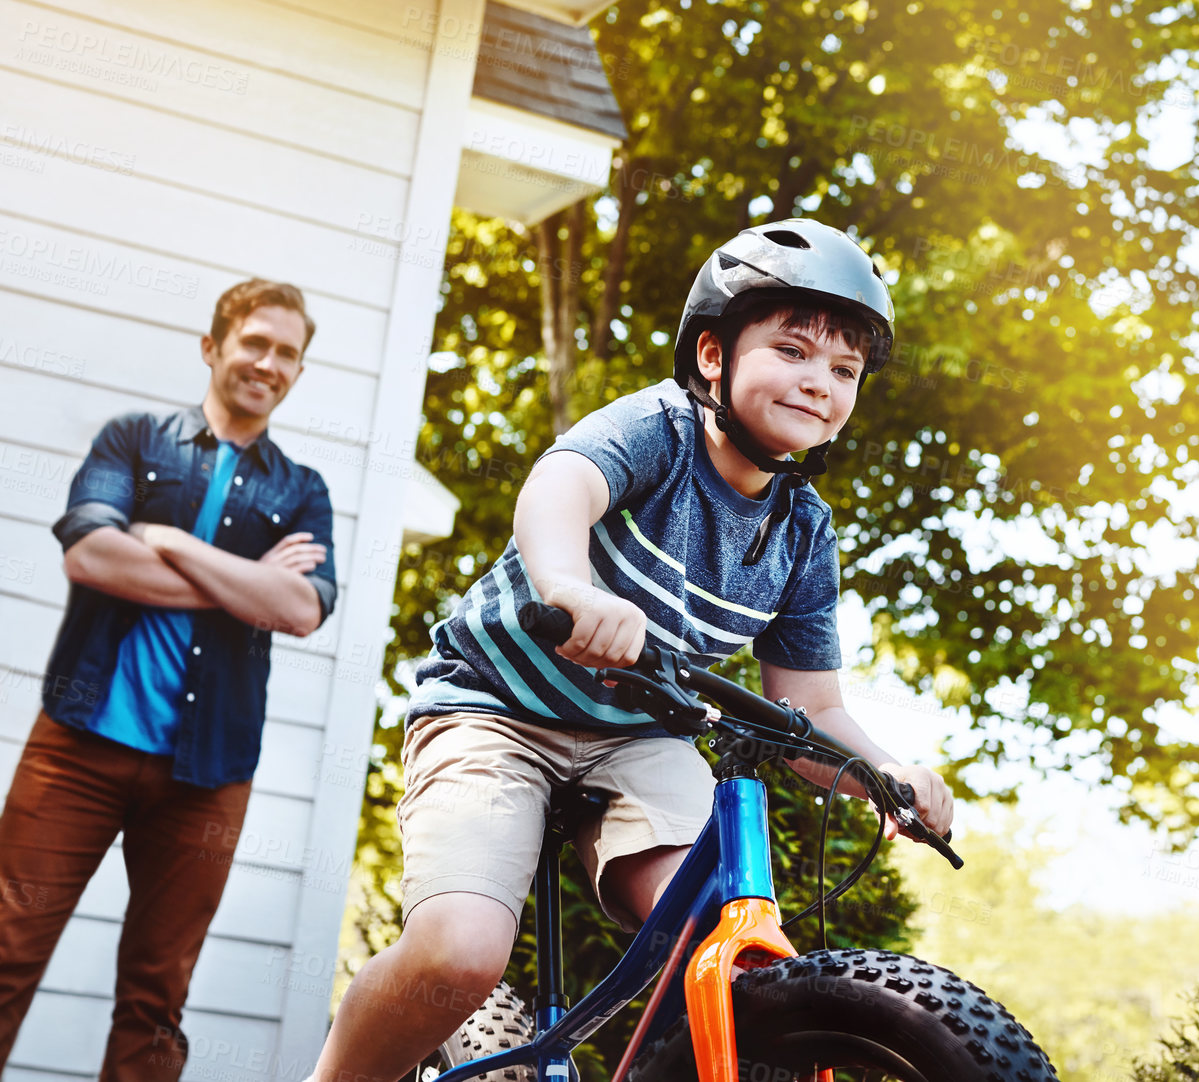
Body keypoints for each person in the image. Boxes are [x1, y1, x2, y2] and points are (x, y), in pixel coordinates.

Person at [309, 219, 953, 1080]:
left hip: (641, 738)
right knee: (459, 954)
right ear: (715, 356)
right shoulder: (662, 428)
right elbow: (560, 485)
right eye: (792, 350)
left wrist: (885, 773)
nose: (819, 383)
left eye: (843, 371)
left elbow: (816, 705)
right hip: (495, 712)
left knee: (731, 956)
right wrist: (570, 588)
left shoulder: (802, 531)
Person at [0, 279, 339, 1081]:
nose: (268, 362)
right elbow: (90, 555)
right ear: (213, 346)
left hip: (208, 774)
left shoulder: (302, 491)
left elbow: (299, 608)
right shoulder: (136, 441)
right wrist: (242, 585)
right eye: (255, 342)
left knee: (156, 1002)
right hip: (78, 748)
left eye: (287, 352)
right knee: (5, 951)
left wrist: (169, 545)